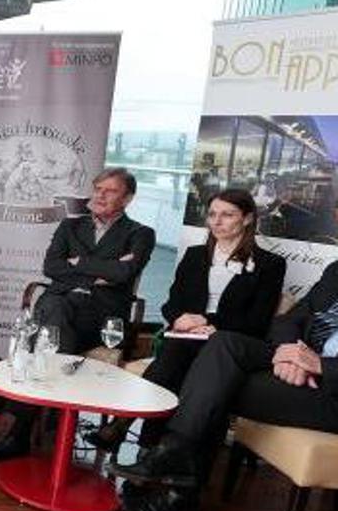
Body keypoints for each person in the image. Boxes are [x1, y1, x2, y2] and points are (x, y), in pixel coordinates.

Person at [111, 260, 338, 511]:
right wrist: (291, 354)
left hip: (331, 389)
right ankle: (176, 465)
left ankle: (178, 486)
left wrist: (319, 365)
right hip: (301, 359)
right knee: (223, 344)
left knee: (217, 380)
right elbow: (290, 319)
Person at [88, 188, 285, 453]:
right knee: (176, 350)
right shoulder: (195, 255)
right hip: (186, 335)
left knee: (173, 356)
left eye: (227, 215)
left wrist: (207, 321)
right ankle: (151, 450)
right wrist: (180, 319)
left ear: (247, 219)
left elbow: (257, 320)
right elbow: (172, 304)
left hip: (227, 341)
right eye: (212, 214)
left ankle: (128, 431)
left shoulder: (270, 264)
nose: (216, 221)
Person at [0, 167, 155, 462]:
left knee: (45, 330)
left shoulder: (140, 233)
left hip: (100, 317)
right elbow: (51, 267)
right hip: (61, 307)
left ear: (128, 198)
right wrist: (101, 272)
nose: (100, 195)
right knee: (55, 313)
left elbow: (125, 272)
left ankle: (21, 428)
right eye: (98, 189)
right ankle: (52, 419)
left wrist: (78, 262)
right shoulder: (70, 226)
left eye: (110, 191)